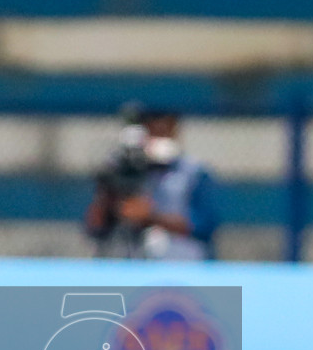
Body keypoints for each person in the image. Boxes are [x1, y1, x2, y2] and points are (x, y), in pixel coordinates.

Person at [85, 108, 218, 260]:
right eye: (153, 132)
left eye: (164, 131)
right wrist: (109, 195)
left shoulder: (193, 172)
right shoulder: (125, 168)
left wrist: (150, 217)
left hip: (182, 267)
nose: (158, 138)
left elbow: (204, 225)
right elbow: (94, 227)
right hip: (132, 265)